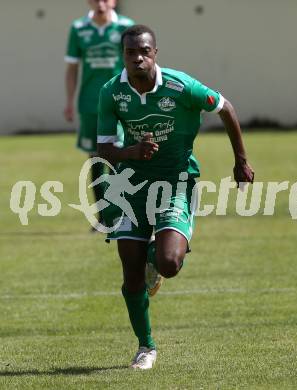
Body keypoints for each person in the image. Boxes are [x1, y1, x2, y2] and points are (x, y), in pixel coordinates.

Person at [97, 25, 254, 369]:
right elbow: (104, 148)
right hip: (130, 188)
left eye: (144, 51)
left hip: (175, 183)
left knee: (169, 262)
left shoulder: (180, 86)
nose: (137, 58)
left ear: (155, 53)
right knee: (130, 273)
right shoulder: (111, 92)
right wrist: (131, 153)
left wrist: (241, 161)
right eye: (130, 53)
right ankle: (146, 347)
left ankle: (156, 258)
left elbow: (225, 108)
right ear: (123, 56)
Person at [64, 0, 134, 229]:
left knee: (118, 157)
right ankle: (103, 215)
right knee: (95, 158)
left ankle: (121, 211)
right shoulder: (78, 28)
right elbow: (72, 68)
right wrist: (69, 101)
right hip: (89, 104)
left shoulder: (125, 27)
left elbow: (134, 65)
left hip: (118, 103)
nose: (101, 4)